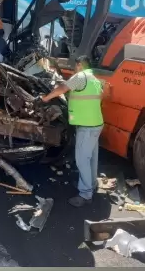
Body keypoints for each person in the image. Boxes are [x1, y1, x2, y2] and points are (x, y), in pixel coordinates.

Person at [40, 55, 109, 207]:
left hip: (87, 126)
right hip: (96, 124)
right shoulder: (94, 80)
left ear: (79, 65)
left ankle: (85, 194)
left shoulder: (80, 77)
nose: (74, 70)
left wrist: (46, 98)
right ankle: (91, 184)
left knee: (82, 159)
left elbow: (63, 88)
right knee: (91, 158)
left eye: (75, 67)